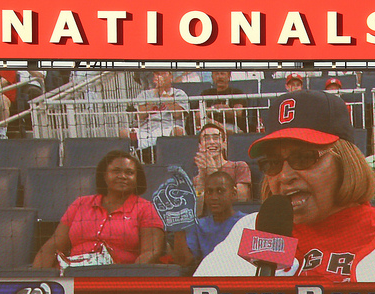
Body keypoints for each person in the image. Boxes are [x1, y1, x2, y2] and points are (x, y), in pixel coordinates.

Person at [193, 90, 375, 283]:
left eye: (303, 158)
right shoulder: (252, 230)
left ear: (345, 161)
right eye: (273, 163)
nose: (285, 175)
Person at [33, 150, 165, 268]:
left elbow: (151, 251)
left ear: (137, 179)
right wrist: (37, 280)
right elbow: (53, 246)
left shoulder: (145, 208)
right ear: (104, 176)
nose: (123, 176)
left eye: (129, 172)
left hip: (117, 275)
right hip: (74, 273)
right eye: (116, 171)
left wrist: (127, 276)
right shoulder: (80, 204)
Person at [173, 171, 246, 268]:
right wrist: (179, 228)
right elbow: (184, 261)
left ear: (233, 194)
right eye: (209, 192)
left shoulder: (246, 222)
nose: (214, 197)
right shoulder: (198, 225)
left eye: (220, 191)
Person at [121, 71, 190, 157]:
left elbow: (178, 114)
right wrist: (156, 96)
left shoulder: (179, 93)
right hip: (146, 131)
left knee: (179, 131)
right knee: (124, 132)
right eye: (157, 74)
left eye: (163, 74)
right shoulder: (145, 95)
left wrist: (164, 95)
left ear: (171, 77)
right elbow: (140, 116)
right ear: (154, 78)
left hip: (168, 128)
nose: (160, 77)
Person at [193, 121, 252, 211]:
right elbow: (197, 211)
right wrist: (201, 178)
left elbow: (242, 199)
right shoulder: (197, 179)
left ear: (224, 144)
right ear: (200, 146)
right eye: (206, 139)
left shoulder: (239, 166)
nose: (211, 142)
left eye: (216, 138)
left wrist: (215, 174)